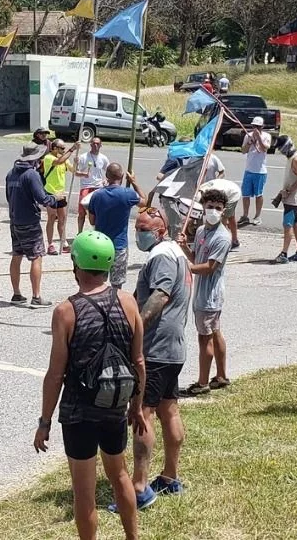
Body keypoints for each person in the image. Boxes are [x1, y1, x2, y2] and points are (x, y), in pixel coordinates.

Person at [35, 231, 147, 540]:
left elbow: (55, 374)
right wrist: (135, 408)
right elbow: (138, 362)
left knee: (83, 491)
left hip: (78, 411)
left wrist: (44, 422)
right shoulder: (128, 302)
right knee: (119, 474)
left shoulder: (66, 311)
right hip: (115, 404)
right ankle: (132, 537)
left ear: (76, 266)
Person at [128, 208, 189, 503]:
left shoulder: (163, 255)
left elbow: (160, 295)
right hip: (173, 348)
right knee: (169, 410)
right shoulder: (175, 252)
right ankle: (170, 477)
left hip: (156, 347)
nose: (139, 232)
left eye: (144, 228)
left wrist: (136, 329)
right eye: (138, 227)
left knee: (144, 414)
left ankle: (140, 488)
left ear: (160, 230)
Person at [183, 187, 233, 397]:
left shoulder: (222, 237)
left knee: (205, 339)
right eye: (210, 206)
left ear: (223, 211)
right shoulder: (203, 231)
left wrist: (182, 268)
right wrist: (184, 246)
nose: (213, 210)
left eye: (218, 208)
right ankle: (221, 376)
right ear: (203, 207)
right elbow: (197, 258)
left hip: (210, 296)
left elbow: (209, 267)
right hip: (203, 294)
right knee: (215, 332)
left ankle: (202, 382)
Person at [6, 144, 68, 307]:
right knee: (36, 256)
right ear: (35, 159)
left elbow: (8, 196)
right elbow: (43, 199)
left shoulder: (11, 174)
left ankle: (17, 293)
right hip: (29, 221)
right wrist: (56, 197)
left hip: (15, 220)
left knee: (17, 255)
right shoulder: (31, 174)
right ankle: (36, 296)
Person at [84, 164, 141, 289]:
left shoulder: (97, 195)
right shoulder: (127, 194)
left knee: (98, 282)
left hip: (100, 245)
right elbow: (144, 201)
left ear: (107, 176)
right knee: (117, 283)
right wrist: (134, 182)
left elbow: (92, 221)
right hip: (119, 245)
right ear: (121, 176)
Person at [272, 136, 297, 264]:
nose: (281, 151)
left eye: (281, 148)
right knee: (296, 224)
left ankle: (284, 253)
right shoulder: (291, 158)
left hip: (293, 200)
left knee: (287, 225)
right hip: (291, 198)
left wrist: (289, 190)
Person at [42, 139, 75, 254]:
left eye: (65, 148)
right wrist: (72, 149)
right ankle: (50, 244)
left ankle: (63, 242)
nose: (64, 150)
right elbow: (58, 162)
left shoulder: (64, 159)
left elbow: (73, 170)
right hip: (51, 192)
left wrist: (76, 163)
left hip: (61, 193)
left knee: (62, 218)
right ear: (54, 148)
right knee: (51, 217)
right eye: (62, 148)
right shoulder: (48, 158)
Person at [237, 116, 272, 226]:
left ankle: (257, 216)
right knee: (245, 194)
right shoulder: (248, 136)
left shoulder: (267, 136)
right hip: (249, 169)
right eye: (254, 126)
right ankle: (245, 215)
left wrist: (259, 139)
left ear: (262, 127)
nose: (256, 129)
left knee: (258, 194)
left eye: (258, 127)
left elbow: (264, 149)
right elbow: (243, 151)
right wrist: (249, 142)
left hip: (260, 171)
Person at [74, 138, 110, 234]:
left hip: (98, 187)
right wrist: (83, 174)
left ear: (101, 145)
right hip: (85, 186)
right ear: (90, 144)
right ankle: (79, 232)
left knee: (98, 212)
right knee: (81, 212)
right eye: (93, 143)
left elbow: (109, 172)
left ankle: (97, 231)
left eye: (97, 144)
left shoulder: (103, 158)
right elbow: (76, 172)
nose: (95, 145)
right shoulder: (83, 157)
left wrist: (106, 180)